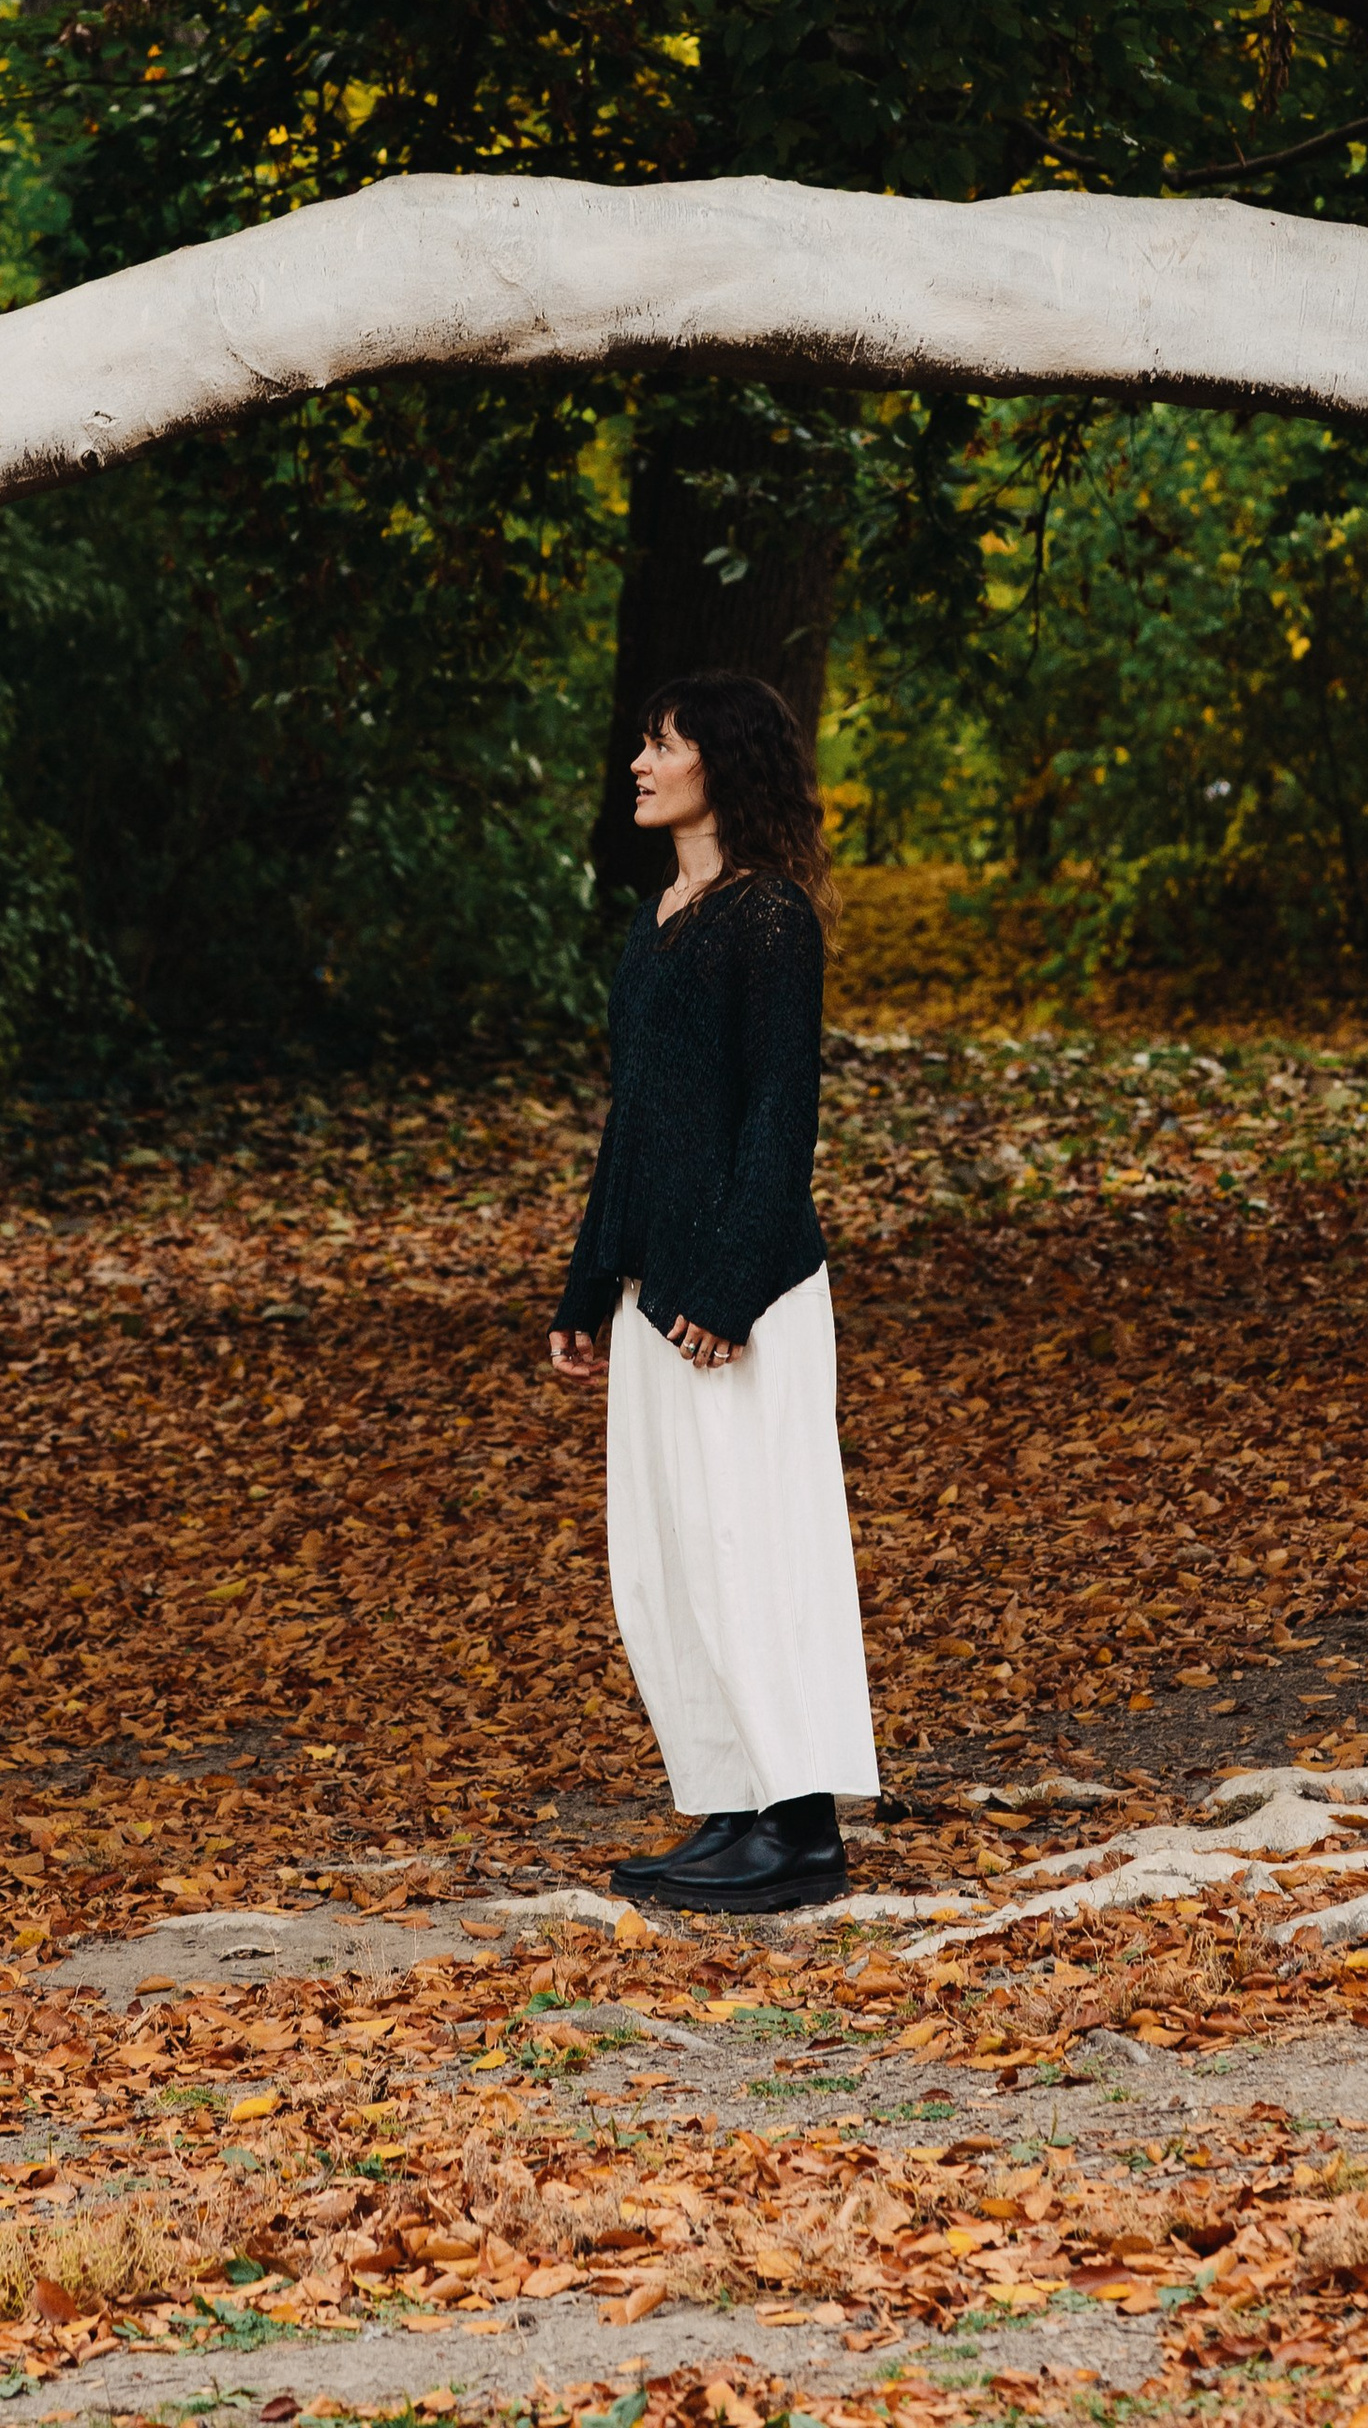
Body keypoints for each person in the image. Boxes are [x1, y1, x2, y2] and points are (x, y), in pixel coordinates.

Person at [548, 669, 877, 1915]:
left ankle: (800, 1834)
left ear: (718, 766)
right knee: (673, 1558)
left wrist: (730, 1288)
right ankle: (733, 1807)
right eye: (641, 743)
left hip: (742, 1299)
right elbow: (636, 1122)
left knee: (754, 1545)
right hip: (658, 1294)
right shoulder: (661, 918)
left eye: (662, 744)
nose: (638, 763)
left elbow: (778, 1119)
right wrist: (589, 1285)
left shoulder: (768, 919)